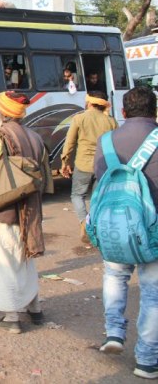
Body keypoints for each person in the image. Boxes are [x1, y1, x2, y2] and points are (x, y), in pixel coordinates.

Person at [0, 91, 53, 334]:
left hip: (1, 209)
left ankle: (11, 317)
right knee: (24, 259)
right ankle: (35, 309)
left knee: (2, 261)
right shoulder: (35, 136)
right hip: (30, 209)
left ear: (1, 113)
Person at [94, 86, 158, 379]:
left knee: (115, 276)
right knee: (152, 294)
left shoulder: (106, 140)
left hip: (114, 228)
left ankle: (114, 333)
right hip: (153, 230)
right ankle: (146, 360)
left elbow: (100, 182)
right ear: (154, 111)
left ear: (122, 112)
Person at [60, 91, 117, 243]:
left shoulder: (79, 118)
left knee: (77, 195)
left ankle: (84, 223)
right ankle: (93, 224)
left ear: (89, 103)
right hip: (103, 165)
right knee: (96, 197)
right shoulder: (110, 121)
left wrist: (65, 162)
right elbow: (115, 143)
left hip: (83, 164)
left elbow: (70, 143)